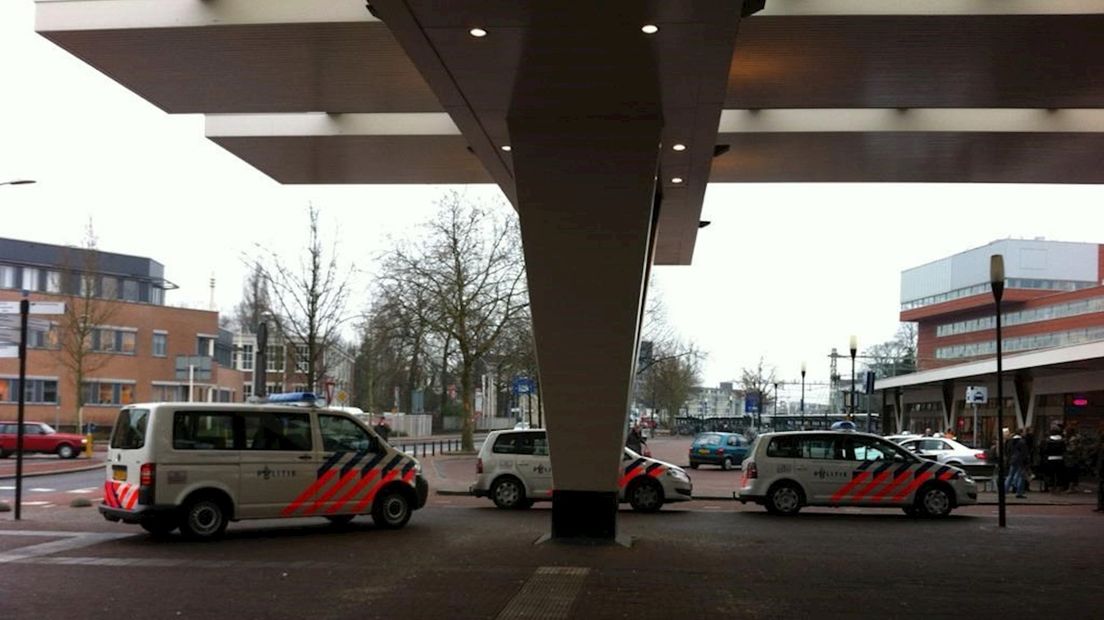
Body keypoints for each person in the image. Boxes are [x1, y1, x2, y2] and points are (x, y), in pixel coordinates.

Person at [1006, 431, 1029, 498]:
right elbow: (1025, 453)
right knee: (1021, 477)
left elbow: (1008, 451)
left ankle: (1005, 490)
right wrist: (1026, 461)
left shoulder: (1010, 442)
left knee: (1010, 476)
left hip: (1012, 460)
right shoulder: (1022, 442)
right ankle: (1019, 492)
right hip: (1020, 460)